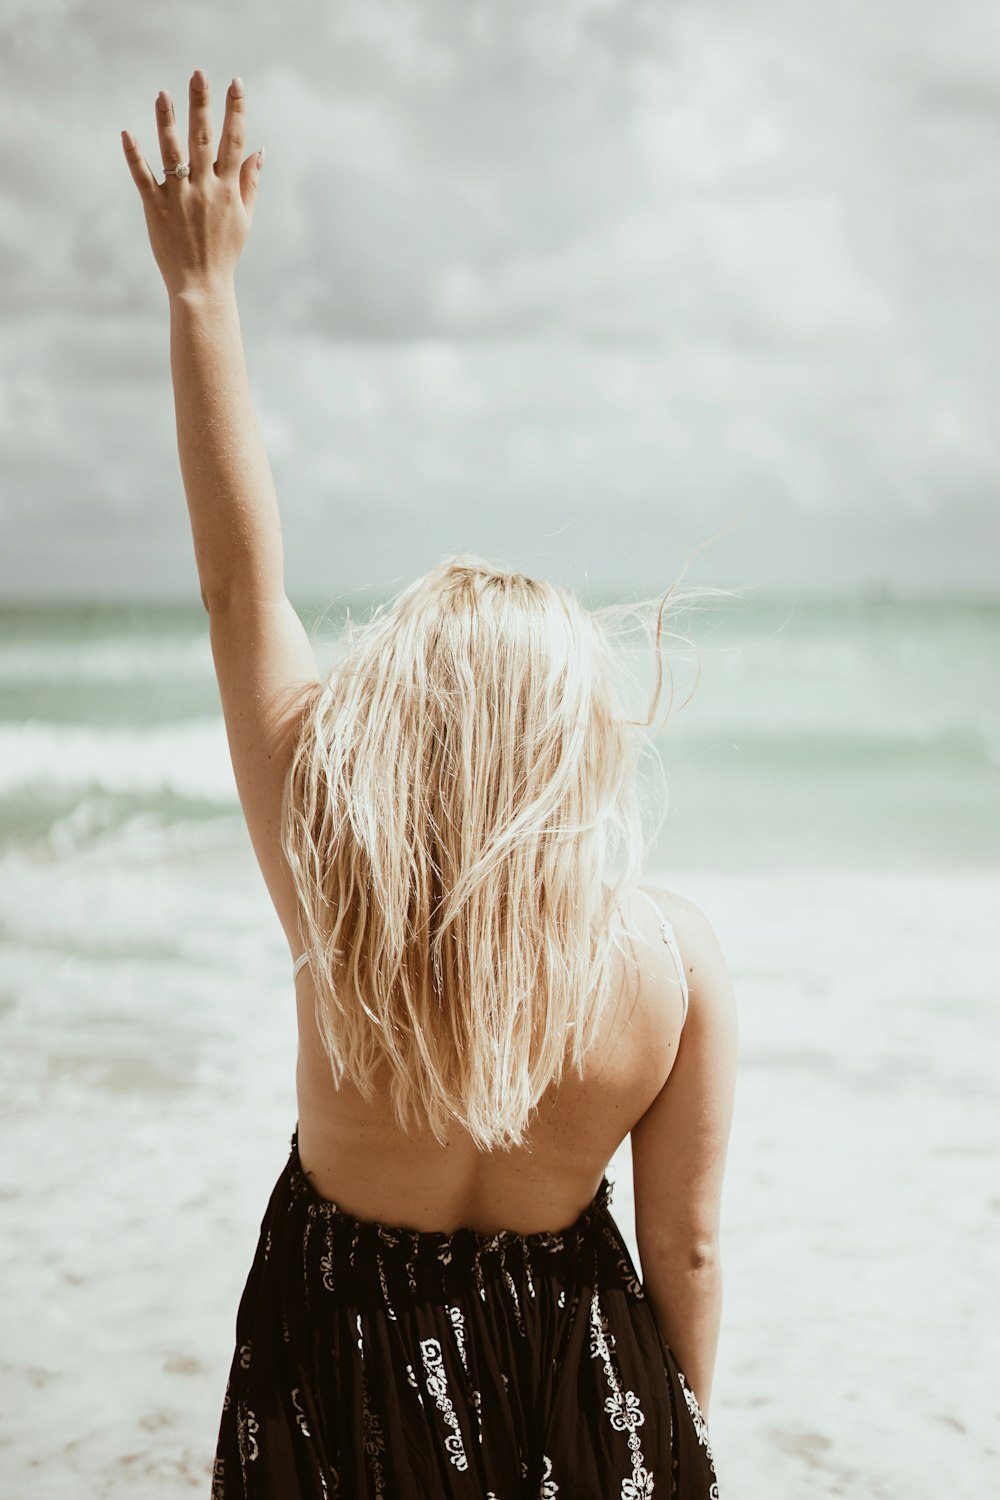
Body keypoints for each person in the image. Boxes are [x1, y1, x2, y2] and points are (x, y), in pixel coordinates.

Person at [122, 72, 738, 1500]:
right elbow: (688, 1249)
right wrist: (671, 1433)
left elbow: (237, 590)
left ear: (401, 724)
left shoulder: (335, 889)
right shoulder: (670, 962)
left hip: (341, 1368)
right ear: (571, 744)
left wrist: (201, 294)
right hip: (573, 1370)